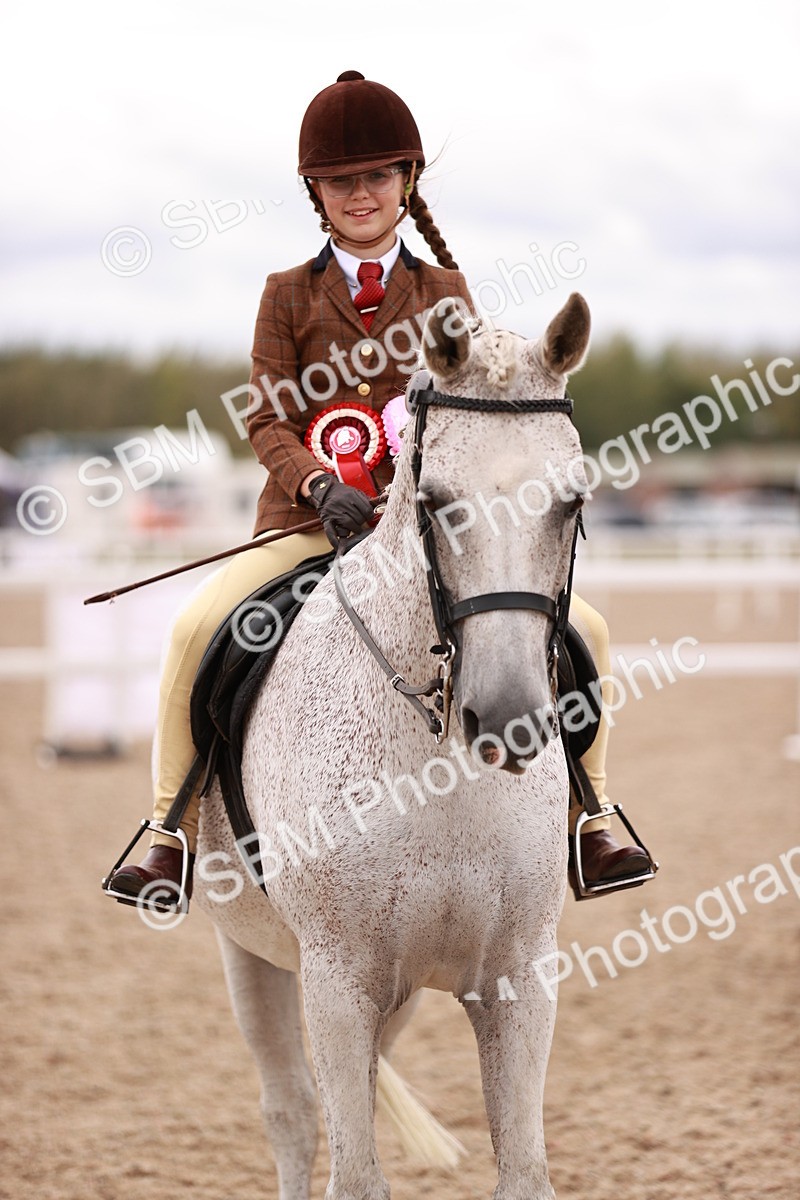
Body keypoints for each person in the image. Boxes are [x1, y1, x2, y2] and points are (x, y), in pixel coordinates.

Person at [108, 70, 650, 906]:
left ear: (406, 182)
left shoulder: (446, 293)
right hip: (305, 523)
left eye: (376, 177)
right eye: (341, 181)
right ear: (316, 193)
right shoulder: (284, 294)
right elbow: (266, 419)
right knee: (194, 628)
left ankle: (594, 815)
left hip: (420, 533)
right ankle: (166, 831)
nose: (360, 194)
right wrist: (319, 482)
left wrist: (411, 495)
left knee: (589, 631)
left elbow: (466, 428)